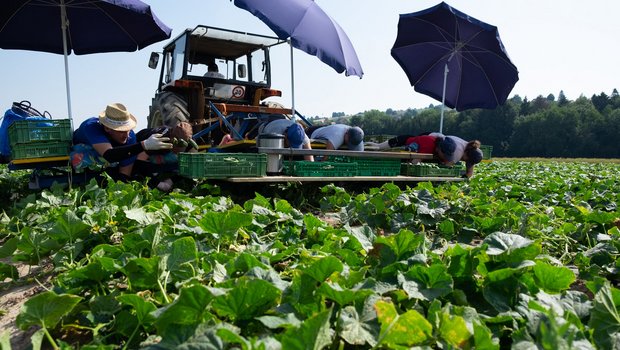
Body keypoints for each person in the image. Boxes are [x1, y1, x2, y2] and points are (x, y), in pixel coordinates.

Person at [71, 103, 172, 182]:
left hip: (111, 153)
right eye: (120, 131)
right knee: (83, 154)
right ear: (107, 128)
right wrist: (144, 145)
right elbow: (109, 155)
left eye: (127, 130)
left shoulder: (130, 136)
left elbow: (124, 173)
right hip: (86, 148)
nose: (126, 135)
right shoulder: (91, 127)